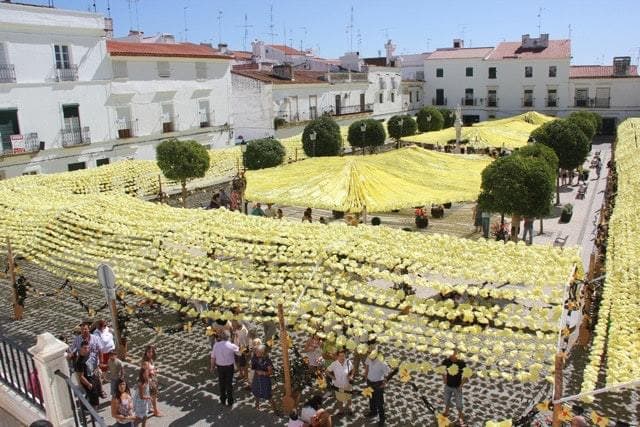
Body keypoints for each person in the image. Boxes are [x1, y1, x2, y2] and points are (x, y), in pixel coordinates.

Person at [211, 330, 239, 407]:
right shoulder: (231, 345)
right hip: (229, 367)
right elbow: (239, 351)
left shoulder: (216, 345)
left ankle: (223, 399)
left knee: (221, 383)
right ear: (228, 337)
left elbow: (213, 357)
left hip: (220, 367)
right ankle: (230, 401)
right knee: (229, 384)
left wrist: (212, 367)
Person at [441, 349, 467, 426]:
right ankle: (446, 412)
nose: (452, 356)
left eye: (455, 355)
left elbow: (466, 375)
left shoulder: (461, 363)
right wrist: (444, 378)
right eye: (451, 354)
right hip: (448, 385)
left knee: (459, 403)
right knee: (446, 400)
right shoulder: (446, 361)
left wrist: (461, 385)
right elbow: (442, 369)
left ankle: (461, 417)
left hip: (457, 387)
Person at [364, 351, 390, 426]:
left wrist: (384, 384)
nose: (370, 358)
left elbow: (387, 374)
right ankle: (373, 412)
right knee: (371, 398)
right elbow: (367, 366)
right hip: (369, 382)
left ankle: (382, 419)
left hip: (378, 384)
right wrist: (366, 377)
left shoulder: (382, 362)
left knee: (379, 402)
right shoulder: (369, 357)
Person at [250, 345, 278, 412]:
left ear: (262, 352)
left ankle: (275, 410)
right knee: (256, 392)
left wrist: (263, 373)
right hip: (256, 379)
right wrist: (257, 371)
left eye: (257, 351)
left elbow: (271, 372)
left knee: (268, 395)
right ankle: (257, 407)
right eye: (256, 351)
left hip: (264, 380)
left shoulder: (267, 360)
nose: (256, 352)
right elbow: (253, 367)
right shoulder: (255, 358)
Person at [327, 349, 354, 415]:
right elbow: (326, 371)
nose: (342, 357)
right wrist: (332, 377)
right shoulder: (334, 364)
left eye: (343, 356)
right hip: (338, 385)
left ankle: (350, 408)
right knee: (340, 399)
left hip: (347, 384)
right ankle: (341, 411)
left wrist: (351, 376)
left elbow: (353, 369)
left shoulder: (348, 362)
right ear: (337, 356)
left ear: (345, 355)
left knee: (349, 398)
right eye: (340, 356)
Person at [75, 341, 101, 408]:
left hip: (93, 376)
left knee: (96, 395)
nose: (87, 349)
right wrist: (88, 384)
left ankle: (87, 404)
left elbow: (92, 363)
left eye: (88, 348)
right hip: (88, 380)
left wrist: (96, 369)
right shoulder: (79, 362)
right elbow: (81, 376)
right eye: (85, 348)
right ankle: (94, 415)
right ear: (81, 348)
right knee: (94, 400)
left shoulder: (88, 354)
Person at [141, 345, 162, 417]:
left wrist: (154, 370)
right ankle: (156, 412)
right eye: (149, 352)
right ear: (146, 352)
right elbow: (145, 375)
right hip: (150, 382)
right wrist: (152, 374)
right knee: (154, 397)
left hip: (153, 380)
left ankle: (150, 409)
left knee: (151, 397)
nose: (151, 353)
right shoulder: (145, 362)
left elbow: (151, 369)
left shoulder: (150, 360)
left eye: (152, 352)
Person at [232, 320, 251, 388]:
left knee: (244, 365)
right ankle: (241, 374)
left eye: (233, 325)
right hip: (236, 349)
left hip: (242, 350)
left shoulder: (244, 330)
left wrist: (245, 351)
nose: (232, 326)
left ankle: (246, 377)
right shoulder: (236, 329)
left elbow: (246, 343)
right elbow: (235, 337)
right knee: (237, 362)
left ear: (238, 325)